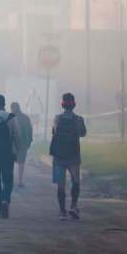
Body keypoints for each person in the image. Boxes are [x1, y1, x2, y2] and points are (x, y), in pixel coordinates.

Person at [50, 92, 87, 221]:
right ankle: (73, 205)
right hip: (74, 155)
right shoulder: (78, 119)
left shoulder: (57, 118)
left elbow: (54, 132)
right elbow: (82, 133)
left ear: (62, 104)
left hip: (59, 156)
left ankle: (62, 212)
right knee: (75, 181)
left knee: (61, 185)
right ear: (74, 105)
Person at [10, 102, 33, 188]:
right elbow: (30, 131)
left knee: (11, 163)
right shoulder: (25, 118)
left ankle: (11, 180)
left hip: (12, 144)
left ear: (12, 108)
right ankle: (20, 181)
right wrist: (29, 141)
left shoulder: (10, 117)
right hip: (23, 143)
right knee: (21, 163)